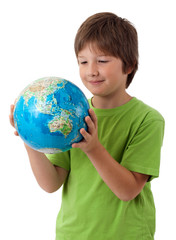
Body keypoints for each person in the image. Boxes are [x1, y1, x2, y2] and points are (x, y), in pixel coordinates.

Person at [9, 12, 165, 240]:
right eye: (83, 61)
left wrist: (93, 148)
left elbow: (128, 190)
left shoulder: (147, 120)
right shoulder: (69, 115)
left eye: (102, 61)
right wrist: (31, 140)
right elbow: (51, 184)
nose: (91, 70)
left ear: (129, 66)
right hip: (72, 235)